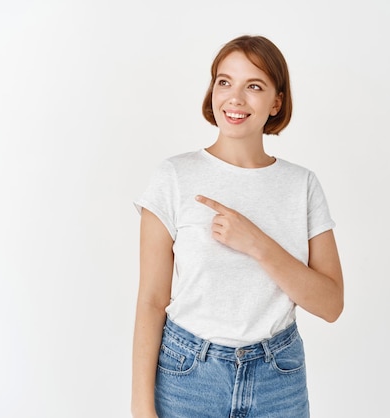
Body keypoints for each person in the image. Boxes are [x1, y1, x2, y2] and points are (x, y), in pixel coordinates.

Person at [131, 35, 344, 418]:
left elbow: (330, 305)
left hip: (279, 379)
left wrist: (259, 244)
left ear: (276, 101)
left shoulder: (302, 185)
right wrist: (141, 408)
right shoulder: (175, 177)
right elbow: (150, 301)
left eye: (255, 86)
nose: (235, 99)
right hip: (187, 376)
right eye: (224, 82)